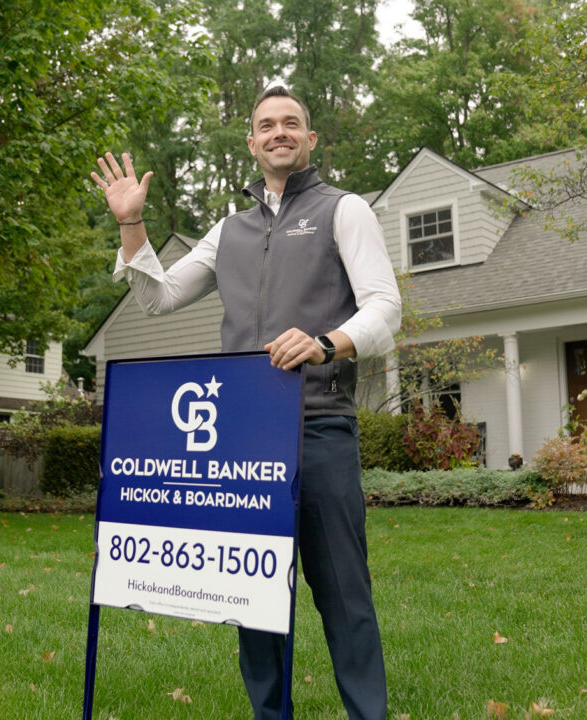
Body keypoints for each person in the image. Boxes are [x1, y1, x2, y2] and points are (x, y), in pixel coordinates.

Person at [91, 85, 400, 720]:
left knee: (344, 594)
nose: (279, 132)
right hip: (243, 441)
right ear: (252, 142)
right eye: (267, 125)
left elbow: (385, 309)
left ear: (311, 140)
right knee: (254, 594)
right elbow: (158, 297)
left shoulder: (345, 210)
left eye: (292, 123)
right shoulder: (229, 230)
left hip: (319, 429)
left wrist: (324, 343)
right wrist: (131, 222)